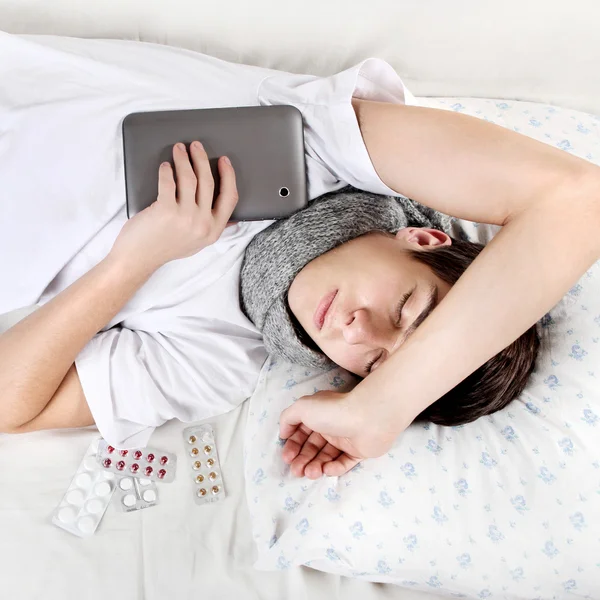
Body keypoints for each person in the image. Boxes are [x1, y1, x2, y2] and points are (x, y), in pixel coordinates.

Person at [1, 36, 599, 480]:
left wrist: (129, 264)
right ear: (423, 240)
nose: (358, 329)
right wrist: (384, 405)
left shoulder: (218, 358)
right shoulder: (333, 150)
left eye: (372, 367)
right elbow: (579, 201)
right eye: (405, 307)